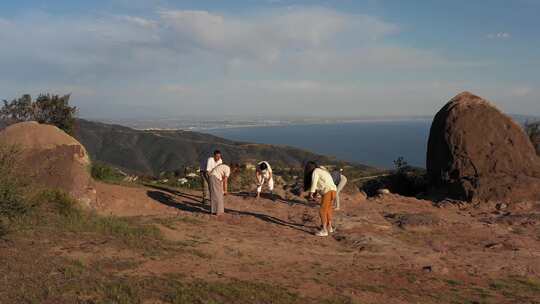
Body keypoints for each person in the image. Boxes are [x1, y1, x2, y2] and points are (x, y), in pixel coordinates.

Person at [304, 161, 337, 237]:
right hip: (334, 190)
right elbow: (321, 183)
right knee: (328, 210)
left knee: (322, 211)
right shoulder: (323, 170)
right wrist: (315, 193)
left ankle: (324, 230)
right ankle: (330, 227)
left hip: (327, 191)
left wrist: (311, 194)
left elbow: (314, 183)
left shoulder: (315, 171)